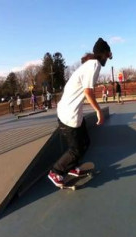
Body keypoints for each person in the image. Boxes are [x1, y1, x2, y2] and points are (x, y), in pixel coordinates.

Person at [48, 37, 113, 187]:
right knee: (76, 149)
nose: (107, 59)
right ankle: (56, 171)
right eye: (107, 56)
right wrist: (99, 111)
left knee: (85, 142)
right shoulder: (94, 64)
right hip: (68, 114)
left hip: (73, 112)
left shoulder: (90, 64)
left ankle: (72, 168)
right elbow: (88, 92)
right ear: (102, 54)